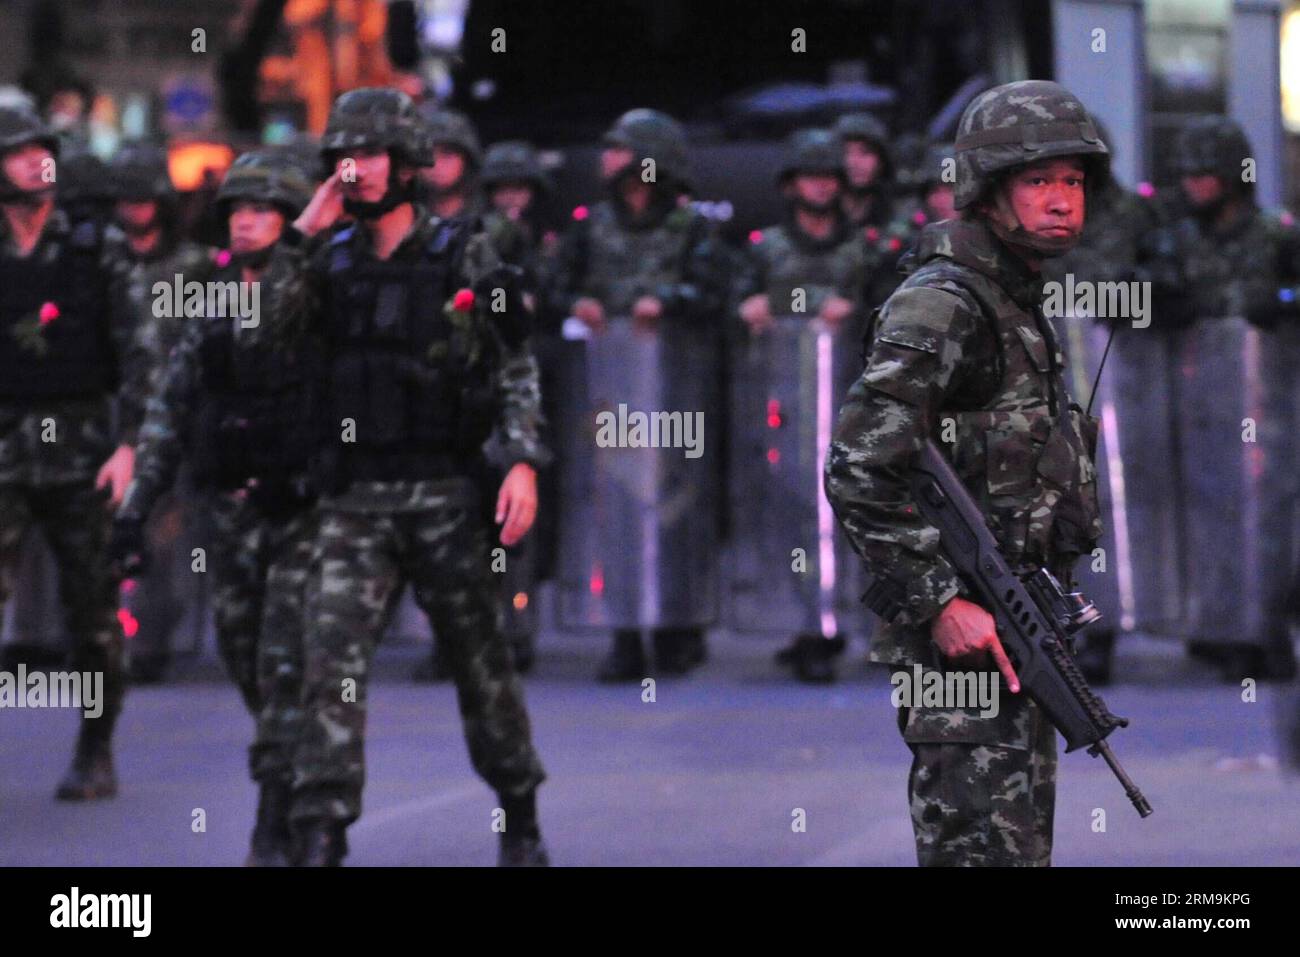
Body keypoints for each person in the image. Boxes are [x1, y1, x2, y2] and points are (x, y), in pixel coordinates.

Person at [258, 88, 549, 866]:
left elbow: (515, 361)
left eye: (372, 155)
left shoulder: (466, 253)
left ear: (409, 163)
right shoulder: (323, 260)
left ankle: (519, 808)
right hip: (353, 498)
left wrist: (521, 458)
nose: (356, 171)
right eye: (344, 158)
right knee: (330, 667)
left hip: (446, 495)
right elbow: (262, 339)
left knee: (479, 662)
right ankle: (320, 830)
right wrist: (298, 237)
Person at [824, 80, 1107, 865]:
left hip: (1017, 628)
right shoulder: (944, 304)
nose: (1062, 201)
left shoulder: (1014, 299)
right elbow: (858, 464)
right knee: (976, 850)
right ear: (987, 190)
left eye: (1074, 182)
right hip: (959, 641)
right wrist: (940, 600)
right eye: (1039, 180)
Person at [111, 151, 318, 865]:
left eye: (264, 208)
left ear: (291, 220)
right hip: (232, 511)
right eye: (237, 209)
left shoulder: (316, 294)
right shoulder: (212, 301)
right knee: (245, 655)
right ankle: (293, 766)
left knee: (287, 661)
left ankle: (276, 813)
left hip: (305, 513)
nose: (248, 219)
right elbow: (168, 410)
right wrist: (134, 511)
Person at [546, 107, 731, 681]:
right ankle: (625, 631)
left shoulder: (691, 228)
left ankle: (678, 625)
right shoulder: (589, 226)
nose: (607, 160)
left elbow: (715, 290)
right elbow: (553, 286)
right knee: (615, 503)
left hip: (675, 391)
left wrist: (668, 302)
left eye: (619, 149)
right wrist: (577, 304)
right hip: (609, 392)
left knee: (677, 503)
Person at [0, 105, 143, 800]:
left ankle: (96, 746)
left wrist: (131, 445)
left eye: (41, 151)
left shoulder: (97, 248)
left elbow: (141, 353)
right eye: (18, 153)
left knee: (92, 616)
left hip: (83, 453)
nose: (36, 162)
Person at [735, 128, 872, 683]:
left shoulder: (866, 246)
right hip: (781, 402)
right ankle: (806, 623)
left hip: (855, 402)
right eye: (808, 177)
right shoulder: (765, 246)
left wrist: (792, 304)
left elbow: (882, 305)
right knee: (793, 510)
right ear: (791, 185)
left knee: (851, 512)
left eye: (828, 177)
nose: (819, 187)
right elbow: (737, 304)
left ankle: (840, 624)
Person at [104, 143, 216, 682]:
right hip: (107, 414)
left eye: (143, 199)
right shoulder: (101, 261)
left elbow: (210, 342)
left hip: (172, 418)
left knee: (164, 533)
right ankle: (87, 641)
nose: (134, 209)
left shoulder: (192, 267)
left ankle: (151, 643)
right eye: (125, 199)